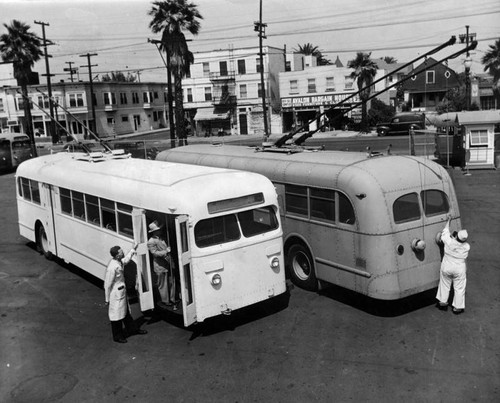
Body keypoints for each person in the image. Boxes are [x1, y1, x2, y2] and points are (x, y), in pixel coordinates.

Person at [104, 244, 148, 343]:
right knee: (116, 317)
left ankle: (132, 329)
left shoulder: (119, 262)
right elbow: (107, 284)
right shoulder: (112, 267)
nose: (122, 252)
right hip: (115, 295)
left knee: (126, 313)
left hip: (122, 293)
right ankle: (117, 336)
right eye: (121, 252)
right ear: (117, 255)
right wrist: (107, 299)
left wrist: (133, 250)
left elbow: (126, 260)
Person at [436, 216, 470, 314]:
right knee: (459, 288)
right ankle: (457, 307)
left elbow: (445, 232)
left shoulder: (449, 242)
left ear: (456, 237)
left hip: (447, 266)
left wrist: (449, 221)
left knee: (444, 283)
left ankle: (443, 301)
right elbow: (460, 243)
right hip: (459, 269)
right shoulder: (467, 247)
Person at [147, 221, 177, 309]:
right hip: (160, 265)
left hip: (169, 263)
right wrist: (166, 251)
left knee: (171, 281)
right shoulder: (151, 241)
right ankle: (166, 300)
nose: (161, 230)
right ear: (154, 231)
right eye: (159, 230)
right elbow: (154, 253)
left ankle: (173, 298)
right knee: (163, 284)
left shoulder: (163, 237)